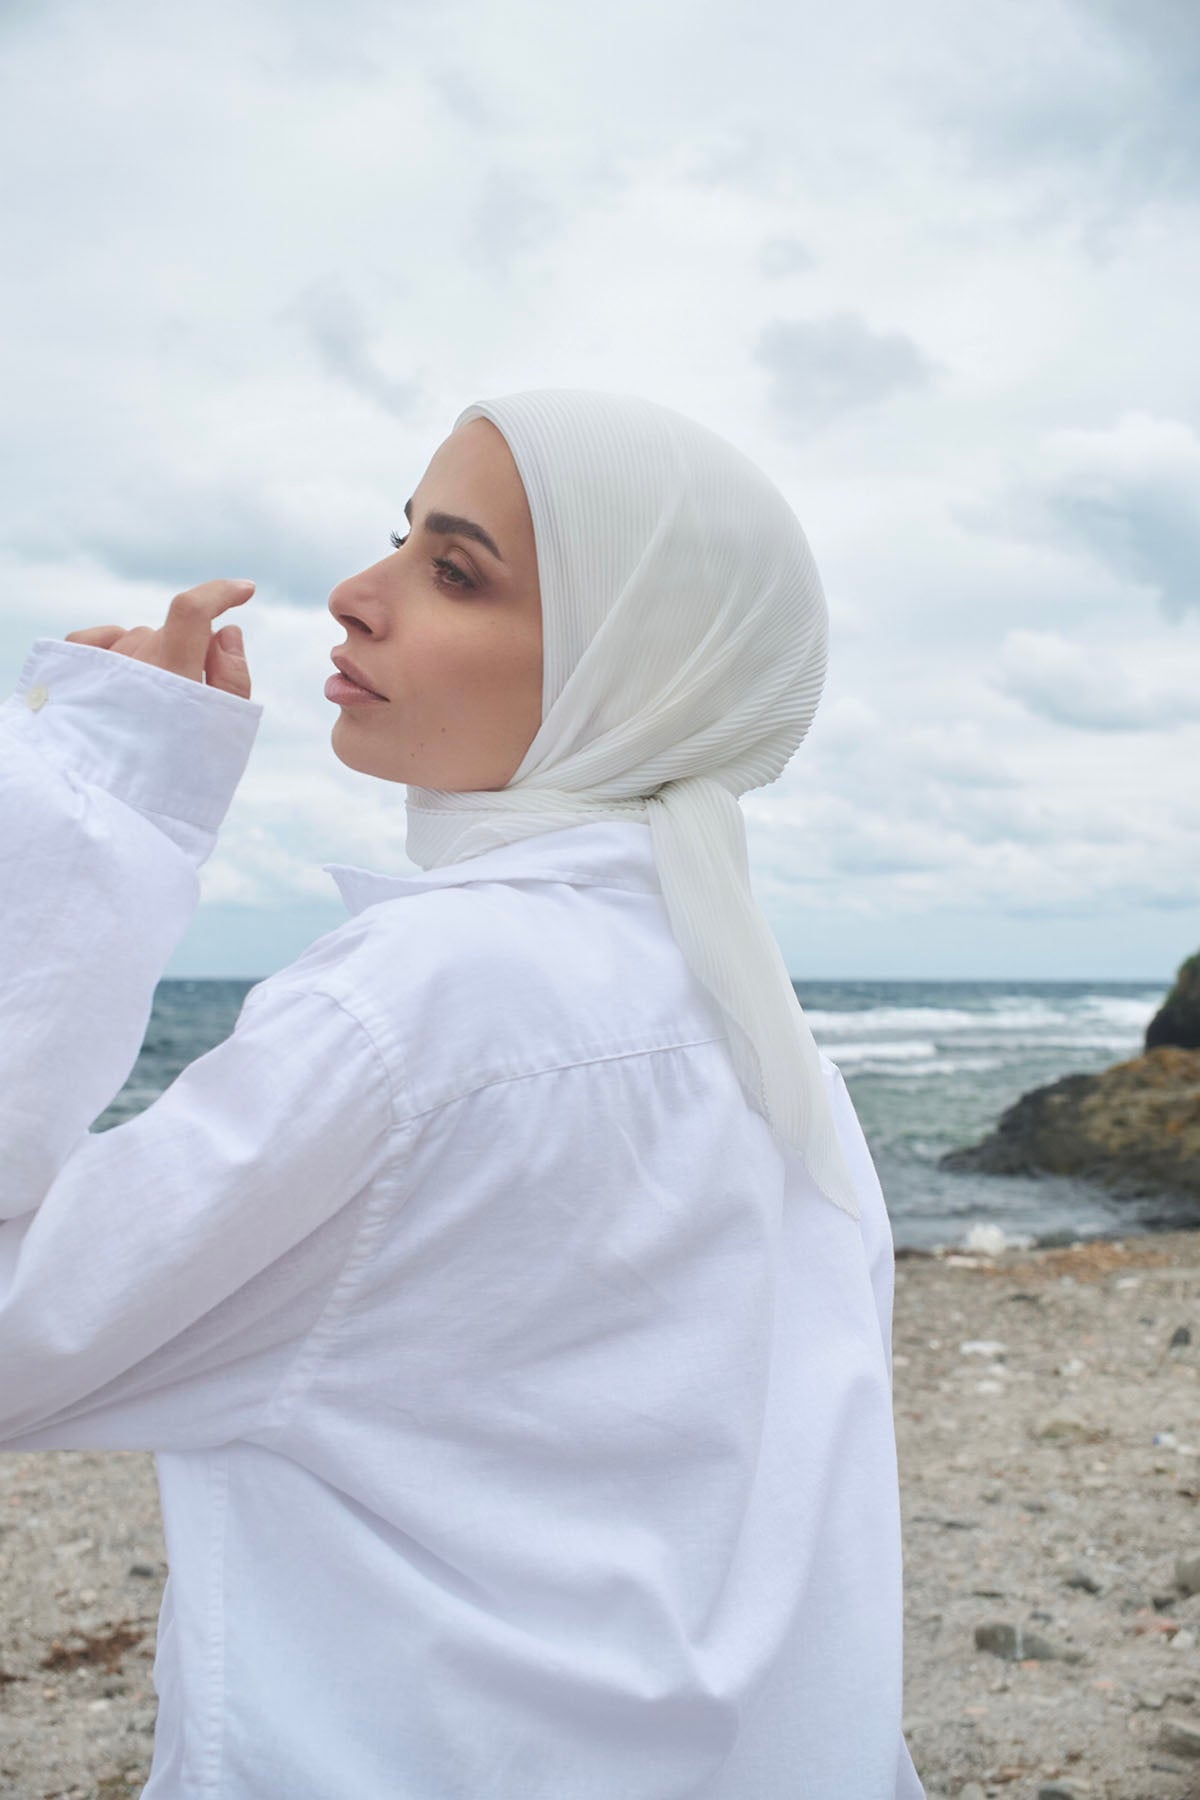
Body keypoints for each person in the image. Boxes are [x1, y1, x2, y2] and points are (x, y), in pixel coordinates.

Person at [0, 388, 926, 1799]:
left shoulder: (424, 1003)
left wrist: (102, 799)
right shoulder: (745, 1012)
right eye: (399, 542)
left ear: (635, 664)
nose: (356, 598)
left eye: (456, 570)